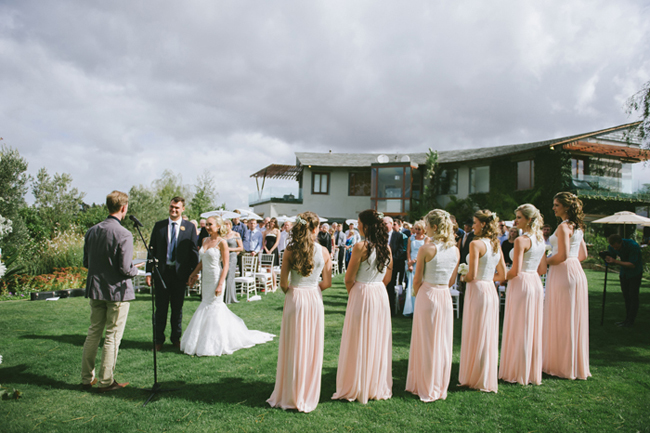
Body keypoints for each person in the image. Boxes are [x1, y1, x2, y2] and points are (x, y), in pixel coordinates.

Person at [267, 212, 332, 413]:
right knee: (311, 346)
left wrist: (294, 292)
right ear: (315, 229)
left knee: (293, 345)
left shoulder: (289, 250)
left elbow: (283, 283)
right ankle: (306, 392)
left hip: (294, 298)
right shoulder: (324, 252)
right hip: (314, 299)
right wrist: (312, 290)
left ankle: (290, 391)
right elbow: (327, 283)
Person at [181, 217, 274, 356]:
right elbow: (202, 261)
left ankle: (216, 342)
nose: (207, 227)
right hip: (206, 279)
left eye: (210, 224)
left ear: (218, 226)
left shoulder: (222, 242)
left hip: (216, 277)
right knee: (205, 304)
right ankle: (200, 339)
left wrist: (220, 284)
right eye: (206, 224)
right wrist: (193, 274)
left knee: (214, 307)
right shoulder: (204, 240)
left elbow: (225, 266)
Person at [81, 190, 142, 392]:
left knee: (93, 332)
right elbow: (125, 269)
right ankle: (106, 381)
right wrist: (137, 269)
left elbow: (86, 263)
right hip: (116, 291)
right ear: (124, 208)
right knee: (112, 336)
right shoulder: (124, 233)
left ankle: (86, 378)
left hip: (96, 289)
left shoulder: (92, 231)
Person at [332, 209, 393, 404]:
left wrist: (356, 295)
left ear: (366, 225)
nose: (357, 225)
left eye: (359, 222)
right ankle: (374, 384)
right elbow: (388, 278)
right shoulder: (387, 248)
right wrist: (375, 291)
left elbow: (349, 278)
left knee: (358, 338)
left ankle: (358, 383)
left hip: (362, 292)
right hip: (379, 294)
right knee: (376, 338)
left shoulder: (360, 246)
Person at [405, 210, 459, 402]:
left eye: (427, 225)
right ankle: (438, 383)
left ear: (434, 227)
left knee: (425, 340)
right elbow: (452, 280)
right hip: (444, 296)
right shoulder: (455, 250)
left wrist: (417, 294)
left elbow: (417, 279)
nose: (424, 228)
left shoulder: (426, 249)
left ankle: (423, 384)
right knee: (441, 341)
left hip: (427, 295)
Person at [543, 192, 591, 380]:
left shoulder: (564, 227)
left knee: (562, 316)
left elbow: (561, 256)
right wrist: (571, 261)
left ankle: (562, 365)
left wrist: (544, 261)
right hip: (576, 271)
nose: (554, 208)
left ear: (566, 207)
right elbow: (583, 255)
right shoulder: (577, 227)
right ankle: (572, 363)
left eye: (557, 205)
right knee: (572, 316)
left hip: (563, 272)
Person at [458, 209, 506, 393]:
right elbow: (503, 275)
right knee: (486, 333)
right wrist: (487, 278)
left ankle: (474, 376)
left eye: (475, 222)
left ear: (484, 224)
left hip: (477, 290)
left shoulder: (476, 244)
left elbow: (471, 275)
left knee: (475, 331)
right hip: (490, 290)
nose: (473, 226)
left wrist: (463, 277)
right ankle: (483, 375)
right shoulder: (496, 244)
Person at [499, 204, 547, 386]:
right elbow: (542, 269)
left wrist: (500, 277)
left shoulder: (521, 241)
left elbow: (516, 270)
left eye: (519, 217)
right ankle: (528, 370)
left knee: (519, 325)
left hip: (521, 284)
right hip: (534, 282)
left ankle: (516, 370)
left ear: (529, 220)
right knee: (531, 325)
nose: (516, 220)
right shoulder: (540, 238)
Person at [146, 197, 199, 351]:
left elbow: (193, 252)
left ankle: (176, 338)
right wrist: (149, 272)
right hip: (162, 274)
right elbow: (152, 249)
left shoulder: (189, 227)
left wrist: (193, 274)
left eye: (177, 208)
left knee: (177, 309)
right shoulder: (159, 226)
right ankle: (158, 340)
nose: (173, 210)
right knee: (160, 309)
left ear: (183, 209)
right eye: (171, 207)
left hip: (180, 275)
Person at [606, 233, 643, 328]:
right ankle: (627, 319)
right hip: (624, 274)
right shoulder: (612, 247)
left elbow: (632, 264)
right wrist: (607, 258)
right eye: (613, 247)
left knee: (633, 296)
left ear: (620, 242)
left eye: (616, 248)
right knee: (626, 296)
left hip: (635, 273)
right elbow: (612, 257)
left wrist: (615, 261)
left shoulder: (633, 246)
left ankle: (631, 320)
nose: (615, 249)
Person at [403, 220, 427, 317]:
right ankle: (410, 308)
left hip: (421, 262)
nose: (417, 231)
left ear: (423, 230)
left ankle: (420, 308)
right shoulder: (411, 238)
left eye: (419, 229)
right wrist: (410, 262)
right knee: (411, 285)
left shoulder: (426, 239)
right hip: (411, 264)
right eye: (416, 229)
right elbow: (408, 251)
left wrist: (415, 260)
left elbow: (425, 252)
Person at [386, 216, 407, 316]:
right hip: (381, 265)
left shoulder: (398, 235)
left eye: (385, 224)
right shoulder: (380, 235)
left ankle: (391, 309)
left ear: (391, 224)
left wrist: (391, 259)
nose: (383, 226)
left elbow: (400, 249)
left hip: (393, 265)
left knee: (390, 286)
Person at [223, 220, 243, 304]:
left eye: (227, 224)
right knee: (224, 275)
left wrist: (230, 249)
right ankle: (223, 296)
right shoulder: (222, 235)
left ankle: (229, 298)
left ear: (230, 225)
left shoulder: (236, 234)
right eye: (224, 224)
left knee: (230, 276)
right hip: (223, 257)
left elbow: (241, 248)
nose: (226, 226)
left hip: (232, 257)